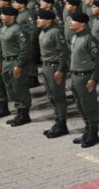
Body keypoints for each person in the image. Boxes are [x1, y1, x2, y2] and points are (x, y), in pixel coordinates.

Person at [68, 12, 99, 145]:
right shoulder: (75, 37)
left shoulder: (89, 39)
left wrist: (93, 79)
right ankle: (87, 130)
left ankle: (93, 133)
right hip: (75, 76)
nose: (70, 23)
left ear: (82, 24)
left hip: (85, 77)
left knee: (89, 106)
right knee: (80, 105)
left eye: (73, 20)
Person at [37, 9, 70, 138]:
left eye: (40, 18)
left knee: (58, 97)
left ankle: (62, 125)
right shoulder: (43, 32)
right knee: (51, 97)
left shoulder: (55, 32)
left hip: (54, 68)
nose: (37, 20)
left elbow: (64, 52)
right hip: (46, 67)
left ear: (49, 20)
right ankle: (57, 122)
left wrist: (61, 70)